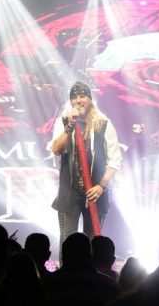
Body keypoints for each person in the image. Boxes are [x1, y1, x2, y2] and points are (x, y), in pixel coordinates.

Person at [51, 81, 122, 247]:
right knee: (67, 243)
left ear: (90, 99)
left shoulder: (104, 124)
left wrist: (101, 186)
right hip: (70, 192)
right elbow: (57, 149)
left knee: (93, 243)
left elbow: (115, 160)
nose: (78, 100)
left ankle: (93, 265)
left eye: (82, 96)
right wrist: (69, 127)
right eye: (74, 97)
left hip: (95, 192)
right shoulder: (63, 122)